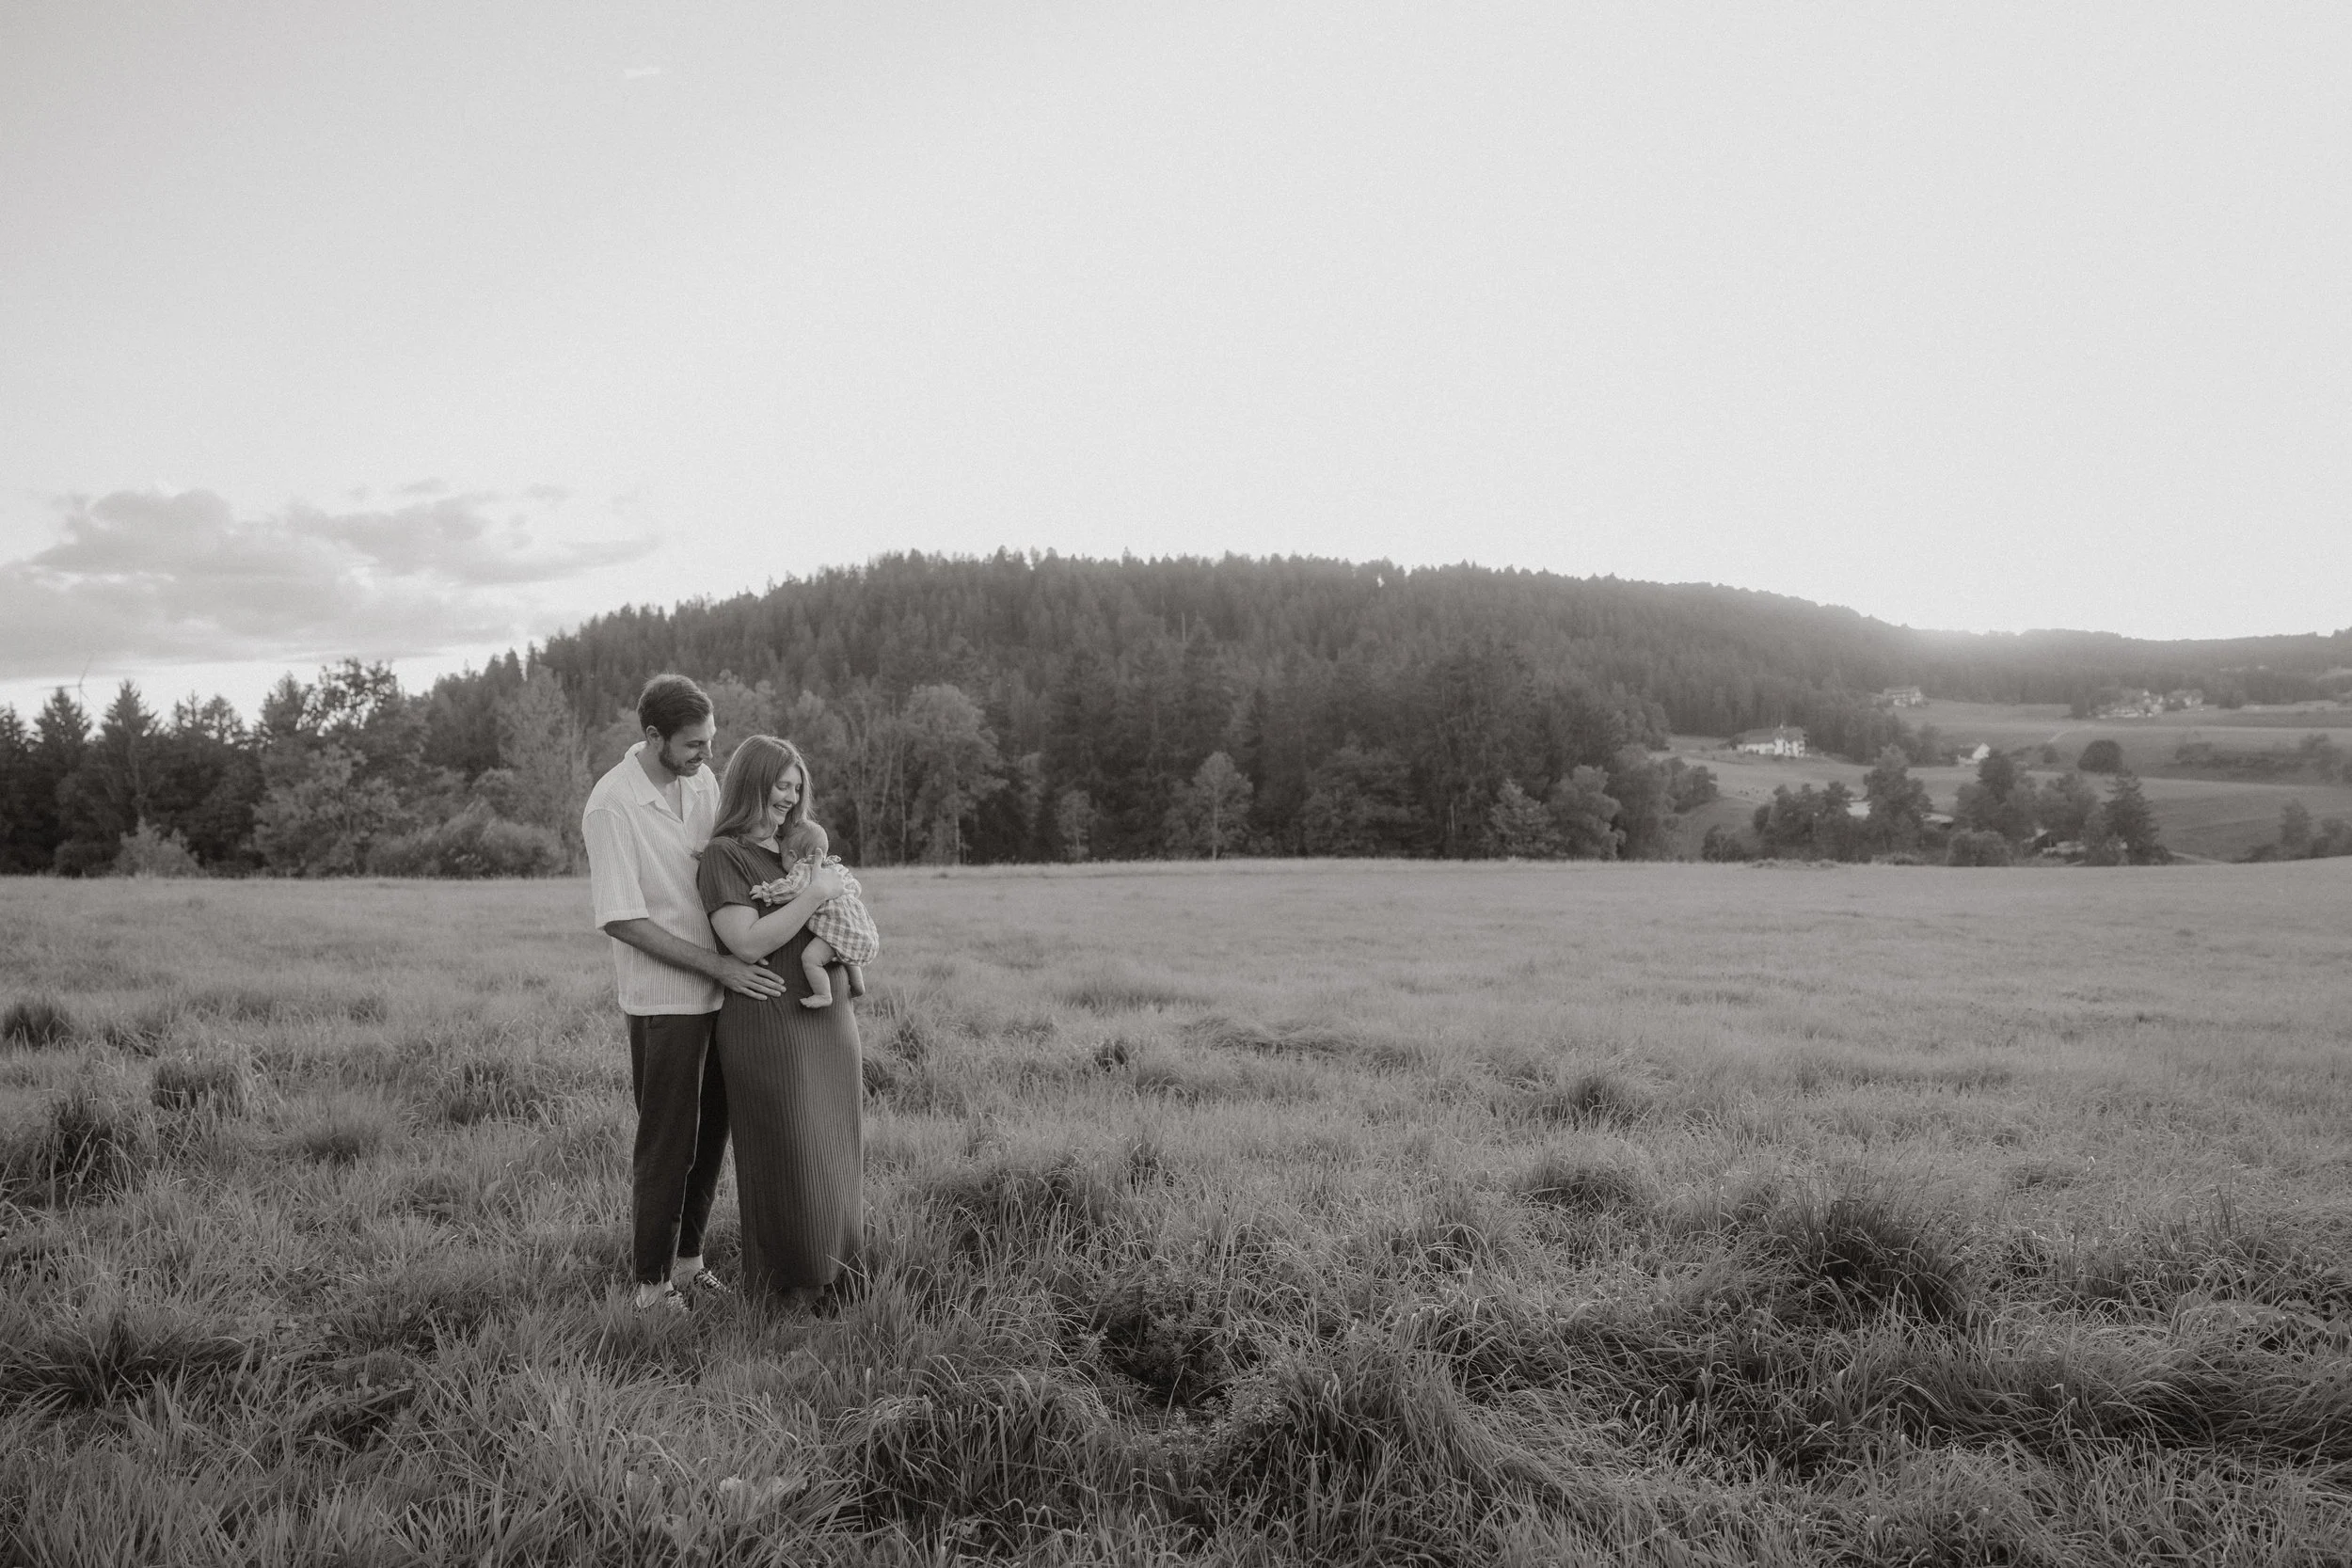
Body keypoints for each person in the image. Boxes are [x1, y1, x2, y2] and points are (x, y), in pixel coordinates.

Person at [581, 673, 794, 1314]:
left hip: (724, 993)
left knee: (710, 1138)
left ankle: (689, 1262)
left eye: (711, 740)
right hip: (665, 1000)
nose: (708, 754)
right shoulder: (611, 804)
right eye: (694, 744)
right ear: (654, 737)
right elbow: (622, 918)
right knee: (667, 1144)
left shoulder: (701, 783)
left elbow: (733, 853)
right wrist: (718, 967)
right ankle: (650, 1288)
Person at [695, 735, 865, 1304]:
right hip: (770, 1022)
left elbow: (843, 912)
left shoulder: (801, 847)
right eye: (779, 786)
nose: (789, 798)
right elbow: (745, 942)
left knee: (834, 1144)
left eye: (796, 787)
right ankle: (787, 1289)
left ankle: (836, 1278)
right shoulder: (725, 855)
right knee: (788, 1151)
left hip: (828, 1021)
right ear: (751, 784)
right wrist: (814, 894)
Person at [755, 817, 880, 1007]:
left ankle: (823, 995)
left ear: (792, 855)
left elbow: (791, 889)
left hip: (833, 929)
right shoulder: (837, 868)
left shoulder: (803, 869)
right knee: (844, 947)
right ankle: (858, 984)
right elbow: (856, 888)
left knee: (811, 959)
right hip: (858, 928)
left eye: (782, 857)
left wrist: (767, 892)